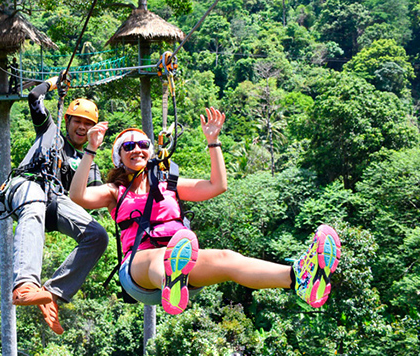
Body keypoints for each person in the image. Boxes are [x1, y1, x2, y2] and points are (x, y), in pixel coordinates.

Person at [69, 107, 341, 314]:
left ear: (151, 153)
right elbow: (78, 196)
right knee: (158, 258)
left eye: (142, 145)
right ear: (119, 157)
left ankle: (299, 279)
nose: (137, 149)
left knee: (227, 257)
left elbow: (217, 185)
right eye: (128, 147)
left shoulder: (169, 185)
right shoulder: (114, 192)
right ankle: (170, 281)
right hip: (138, 271)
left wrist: (213, 142)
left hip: (183, 268)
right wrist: (91, 149)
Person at [1, 76, 108, 334]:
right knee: (35, 201)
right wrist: (53, 83)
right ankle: (25, 285)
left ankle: (53, 292)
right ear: (68, 121)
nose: (82, 127)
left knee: (97, 236)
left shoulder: (87, 161)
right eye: (78, 121)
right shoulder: (51, 130)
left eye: (88, 124)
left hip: (55, 199)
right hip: (27, 184)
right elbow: (34, 98)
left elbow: (97, 195)